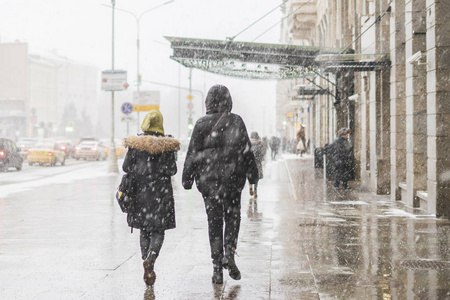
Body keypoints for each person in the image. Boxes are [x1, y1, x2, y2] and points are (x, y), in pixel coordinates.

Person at [182, 84, 259, 284]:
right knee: (233, 217)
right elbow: (247, 152)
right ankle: (229, 254)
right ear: (228, 100)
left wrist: (187, 178)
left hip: (209, 183)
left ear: (208, 101)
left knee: (214, 222)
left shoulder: (200, 124)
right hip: (233, 181)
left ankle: (217, 268)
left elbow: (192, 153)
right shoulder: (236, 121)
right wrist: (253, 176)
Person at [122, 110, 180, 286]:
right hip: (161, 194)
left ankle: (145, 259)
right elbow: (172, 171)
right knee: (158, 229)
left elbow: (126, 167)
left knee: (144, 229)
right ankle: (151, 258)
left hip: (140, 193)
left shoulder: (136, 145)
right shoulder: (167, 145)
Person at [249, 131, 264, 199]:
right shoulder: (259, 143)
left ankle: (250, 186)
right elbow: (261, 153)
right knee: (256, 177)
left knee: (250, 175)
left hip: (250, 162)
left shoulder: (249, 143)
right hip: (257, 162)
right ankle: (255, 190)